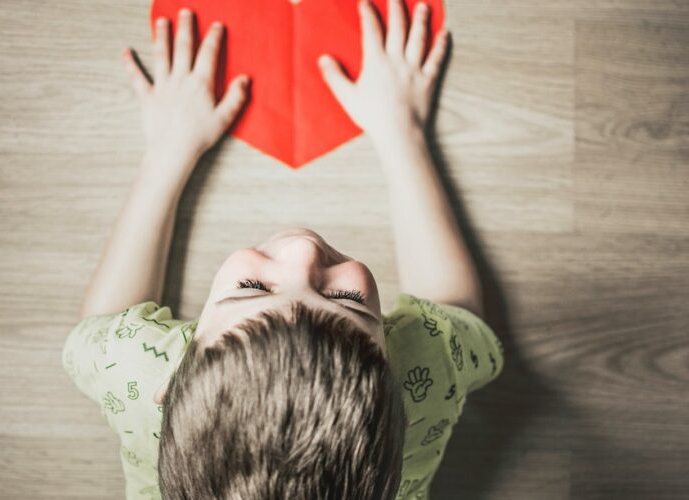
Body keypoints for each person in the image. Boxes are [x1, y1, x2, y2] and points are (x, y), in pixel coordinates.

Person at [61, 1, 504, 498]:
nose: (302, 250)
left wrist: (166, 152)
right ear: (400, 387)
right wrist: (403, 132)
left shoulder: (133, 371)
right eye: (347, 301)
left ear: (169, 387)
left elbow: (98, 330)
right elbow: (460, 315)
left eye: (252, 289)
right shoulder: (425, 372)